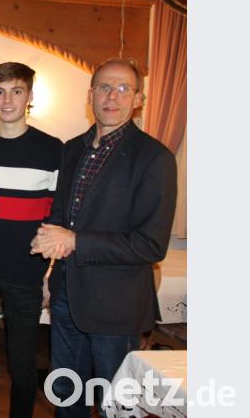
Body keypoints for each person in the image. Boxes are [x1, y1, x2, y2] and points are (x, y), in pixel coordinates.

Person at [30, 58, 177, 418]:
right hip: (66, 298)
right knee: (67, 399)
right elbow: (62, 218)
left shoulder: (154, 157)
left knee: (116, 407)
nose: (113, 96)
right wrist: (49, 270)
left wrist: (76, 240)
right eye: (104, 87)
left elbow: (150, 244)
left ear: (138, 99)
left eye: (124, 88)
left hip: (116, 308)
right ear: (90, 95)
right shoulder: (72, 148)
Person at [0, 62, 62, 418]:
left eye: (16, 91)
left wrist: (51, 274)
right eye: (0, 91)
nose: (7, 99)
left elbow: (55, 219)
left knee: (21, 364)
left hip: (27, 273)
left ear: (30, 97)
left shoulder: (52, 149)